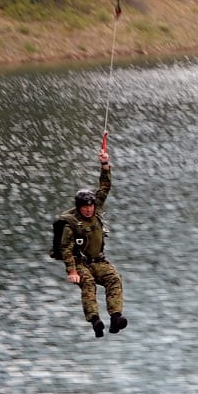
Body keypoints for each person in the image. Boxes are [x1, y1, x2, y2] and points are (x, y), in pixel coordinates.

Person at [58, 144, 127, 337]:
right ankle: (95, 320)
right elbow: (65, 249)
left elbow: (105, 187)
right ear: (79, 207)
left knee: (114, 278)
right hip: (80, 263)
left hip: (98, 261)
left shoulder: (96, 211)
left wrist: (105, 165)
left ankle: (115, 317)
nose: (89, 209)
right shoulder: (71, 223)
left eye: (91, 206)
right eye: (85, 207)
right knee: (87, 283)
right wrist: (72, 270)